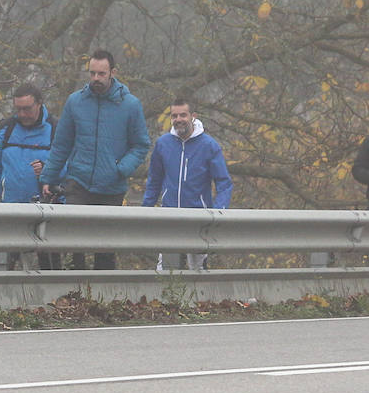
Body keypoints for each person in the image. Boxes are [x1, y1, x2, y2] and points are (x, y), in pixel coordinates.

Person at [40, 49, 150, 270]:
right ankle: (73, 296)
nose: (96, 79)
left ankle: (104, 297)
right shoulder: (75, 102)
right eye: (92, 74)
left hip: (112, 187)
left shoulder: (130, 105)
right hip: (78, 182)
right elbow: (61, 144)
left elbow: (141, 145)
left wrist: (121, 169)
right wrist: (48, 178)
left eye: (101, 74)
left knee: (105, 251)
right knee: (74, 244)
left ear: (113, 73)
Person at [142, 96, 232, 271]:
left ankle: (199, 298)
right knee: (166, 271)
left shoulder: (209, 146)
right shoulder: (163, 144)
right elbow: (154, 180)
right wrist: (146, 209)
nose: (178, 120)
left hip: (199, 217)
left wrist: (219, 211)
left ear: (193, 116)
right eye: (174, 116)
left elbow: (224, 183)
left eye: (182, 115)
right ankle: (165, 299)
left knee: (198, 272)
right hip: (169, 216)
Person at [0, 83, 61, 270]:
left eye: (27, 109)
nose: (22, 114)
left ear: (40, 104)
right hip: (11, 209)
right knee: (6, 266)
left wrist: (47, 171)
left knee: (49, 266)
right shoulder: (6, 129)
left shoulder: (56, 129)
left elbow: (68, 167)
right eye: (18, 109)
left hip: (46, 210)